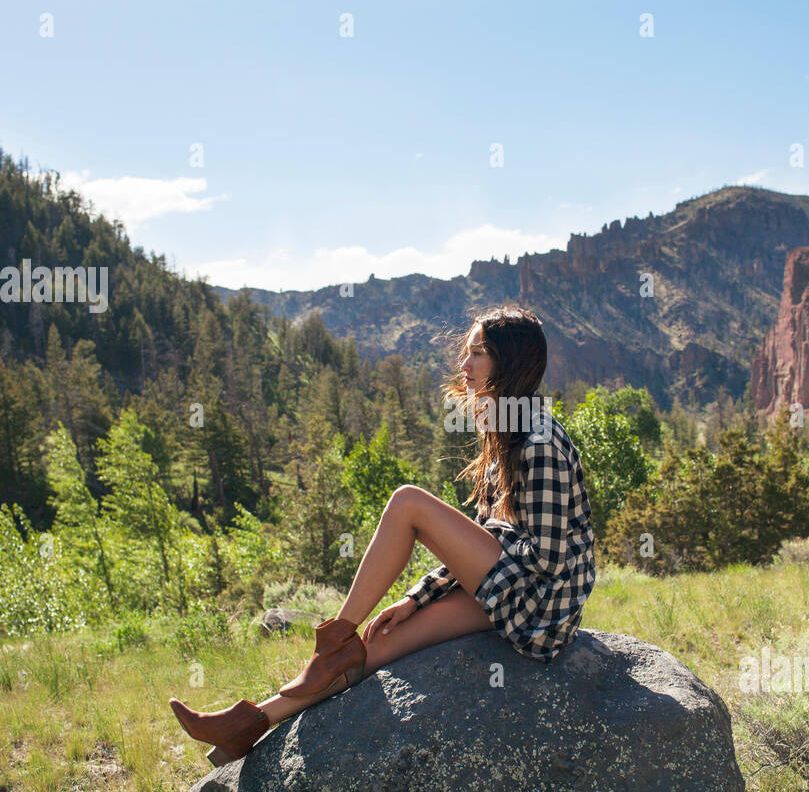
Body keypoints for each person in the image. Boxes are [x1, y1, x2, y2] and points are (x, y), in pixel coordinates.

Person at [169, 306, 596, 765]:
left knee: (407, 502)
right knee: (379, 642)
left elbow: (547, 560)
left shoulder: (539, 441)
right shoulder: (509, 436)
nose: (464, 366)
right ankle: (248, 724)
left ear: (510, 363)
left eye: (478, 354)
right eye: (466, 353)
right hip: (511, 596)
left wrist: (469, 573)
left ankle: (334, 638)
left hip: (540, 607)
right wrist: (416, 599)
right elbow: (489, 542)